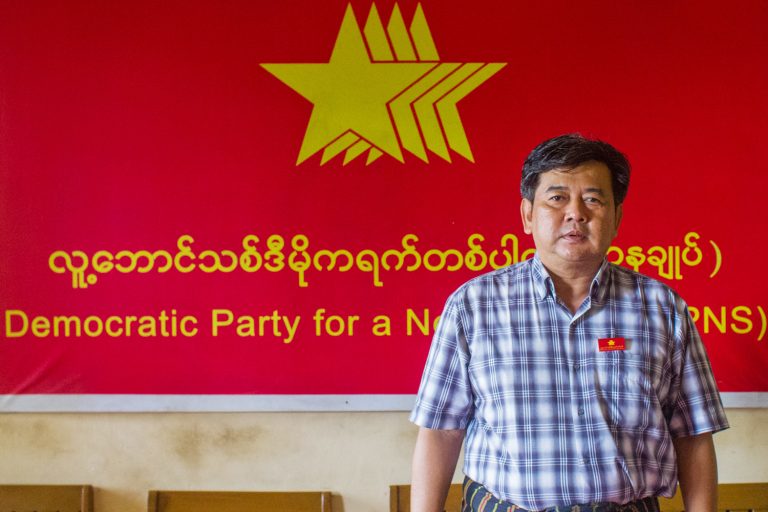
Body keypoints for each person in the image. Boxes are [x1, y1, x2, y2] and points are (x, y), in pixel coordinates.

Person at [409, 134, 729, 512]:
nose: (576, 213)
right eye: (557, 198)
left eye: (593, 199)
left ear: (617, 218)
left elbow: (693, 436)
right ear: (528, 215)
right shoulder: (473, 306)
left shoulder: (662, 308)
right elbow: (442, 432)